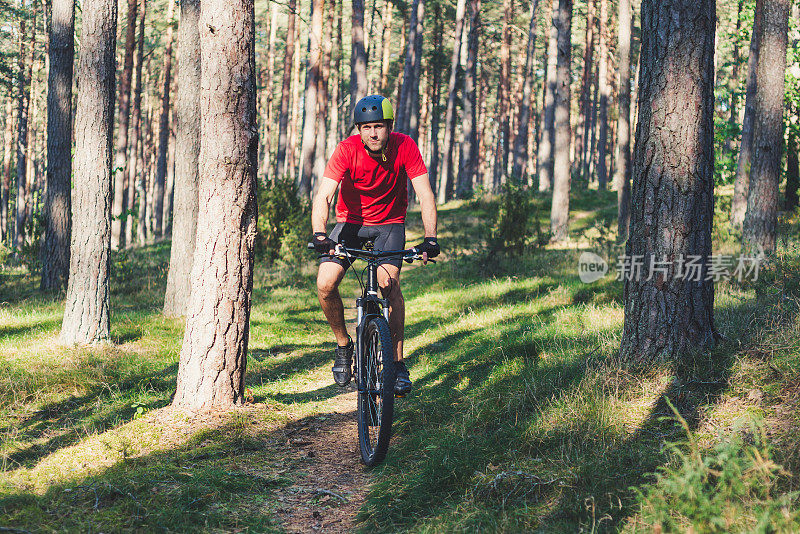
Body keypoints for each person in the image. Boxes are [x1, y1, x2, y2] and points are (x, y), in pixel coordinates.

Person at [311, 95, 439, 397]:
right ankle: (344, 345)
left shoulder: (405, 146)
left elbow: (425, 194)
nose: (373, 134)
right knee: (325, 283)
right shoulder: (346, 150)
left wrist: (431, 237)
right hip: (351, 223)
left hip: (390, 224)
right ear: (359, 129)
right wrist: (320, 233)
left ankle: (396, 364)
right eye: (366, 127)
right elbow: (324, 195)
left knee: (388, 284)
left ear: (389, 127)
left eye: (379, 126)